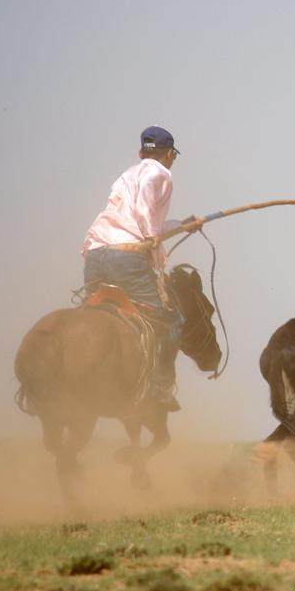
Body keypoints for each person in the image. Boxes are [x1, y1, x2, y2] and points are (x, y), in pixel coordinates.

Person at [81, 125, 203, 411]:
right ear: (169, 154)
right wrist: (150, 235)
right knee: (170, 321)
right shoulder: (159, 173)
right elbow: (146, 218)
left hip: (96, 254)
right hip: (127, 259)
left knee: (93, 311)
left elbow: (145, 223)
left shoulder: (125, 176)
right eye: (174, 155)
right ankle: (161, 388)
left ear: (141, 152)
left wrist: (184, 226)